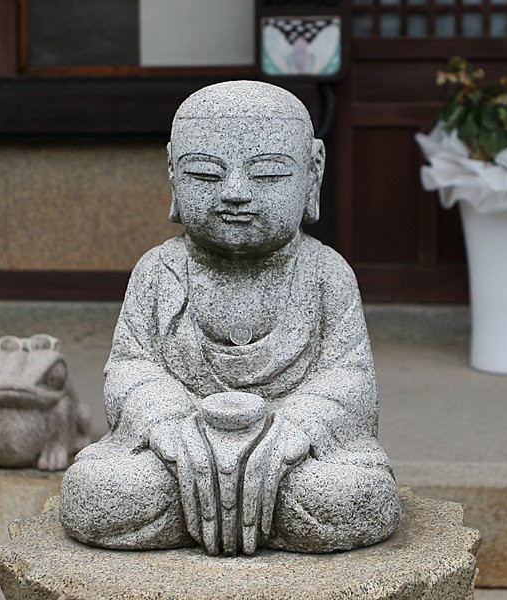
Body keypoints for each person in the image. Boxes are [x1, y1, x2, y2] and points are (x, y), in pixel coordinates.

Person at [59, 81, 401, 556]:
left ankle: (237, 508)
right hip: (176, 453)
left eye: (266, 175)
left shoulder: (325, 273)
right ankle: (230, 510)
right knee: (98, 495)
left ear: (312, 174)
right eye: (204, 174)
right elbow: (130, 369)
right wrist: (173, 428)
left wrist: (293, 431)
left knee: (347, 498)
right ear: (173, 173)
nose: (236, 194)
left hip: (292, 458)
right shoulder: (158, 272)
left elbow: (350, 380)